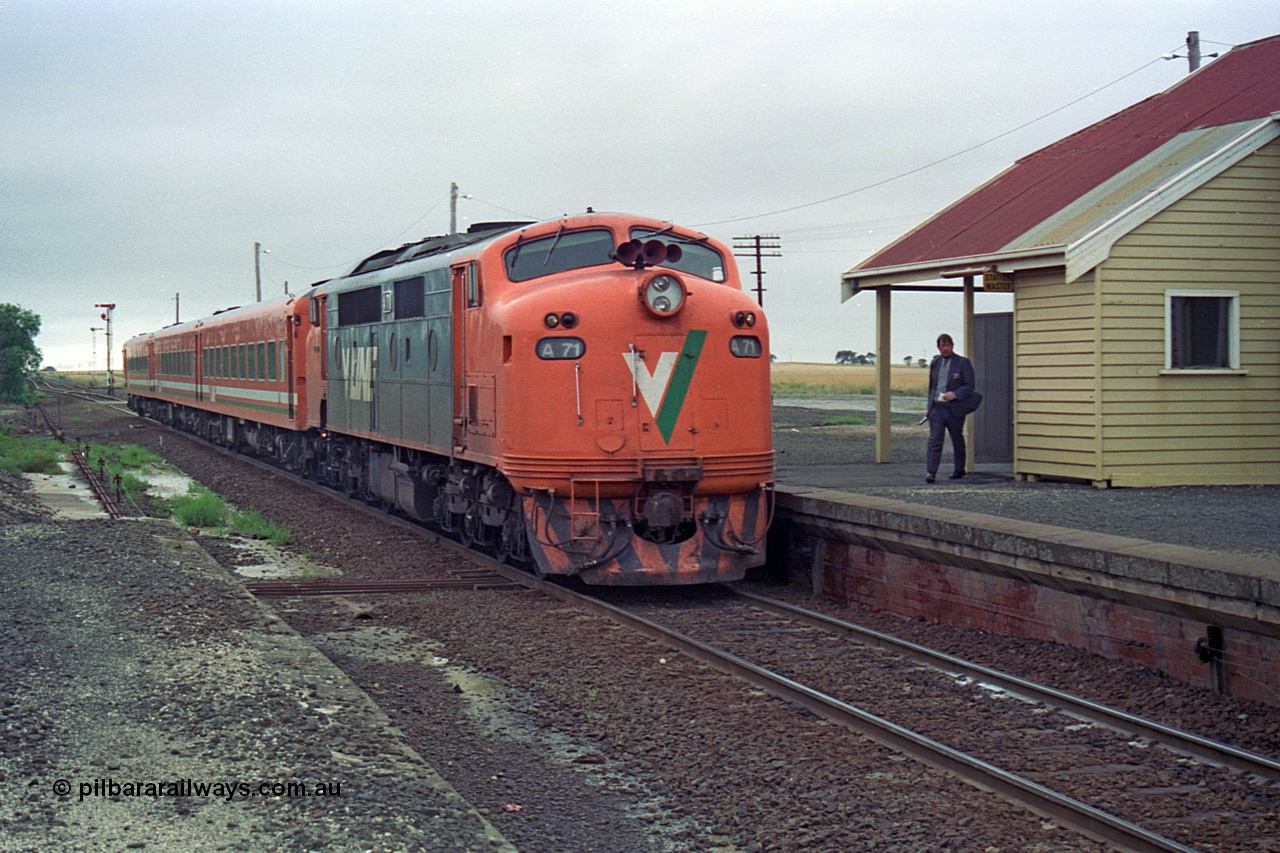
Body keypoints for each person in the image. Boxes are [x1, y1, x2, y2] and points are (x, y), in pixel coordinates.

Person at [924, 333, 976, 483]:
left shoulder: (963, 363)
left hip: (954, 408)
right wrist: (929, 407)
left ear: (952, 346)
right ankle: (931, 472)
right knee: (935, 439)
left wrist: (955, 394)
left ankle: (959, 469)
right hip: (937, 408)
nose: (946, 349)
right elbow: (932, 385)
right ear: (938, 347)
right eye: (943, 346)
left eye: (948, 346)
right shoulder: (935, 362)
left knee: (956, 438)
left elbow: (970, 385)